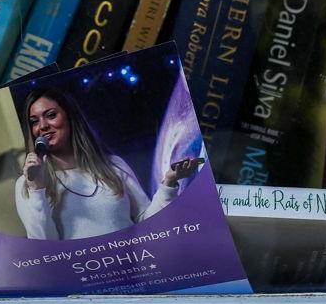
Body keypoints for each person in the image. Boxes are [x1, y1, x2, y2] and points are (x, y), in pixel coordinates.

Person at [15, 86, 201, 241]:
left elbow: (147, 224)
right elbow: (45, 251)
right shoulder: (28, 184)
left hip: (137, 271)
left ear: (70, 117)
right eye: (34, 121)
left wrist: (169, 182)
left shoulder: (113, 165)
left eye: (51, 115)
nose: (42, 126)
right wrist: (37, 189)